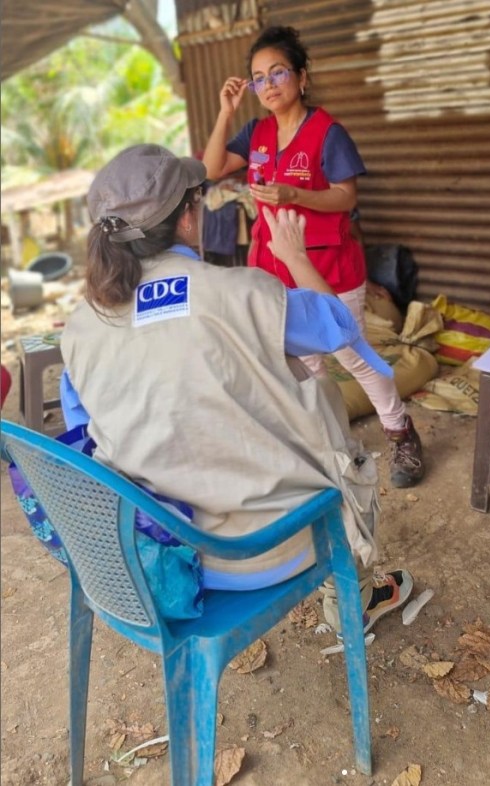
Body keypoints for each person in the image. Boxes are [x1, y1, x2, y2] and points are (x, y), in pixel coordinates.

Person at [59, 143, 413, 634]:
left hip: (156, 551)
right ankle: (349, 594)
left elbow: (83, 429)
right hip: (268, 549)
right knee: (334, 436)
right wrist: (295, 257)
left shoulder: (81, 327)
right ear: (188, 218)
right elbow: (340, 327)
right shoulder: (244, 292)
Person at [202, 25, 425, 489]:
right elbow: (209, 170)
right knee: (304, 365)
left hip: (331, 270)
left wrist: (294, 194)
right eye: (258, 78)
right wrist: (224, 113)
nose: (268, 85)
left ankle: (402, 432)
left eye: (278, 72)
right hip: (273, 270)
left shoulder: (329, 133)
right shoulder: (256, 131)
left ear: (302, 76)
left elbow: (345, 198)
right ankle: (326, 449)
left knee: (356, 356)